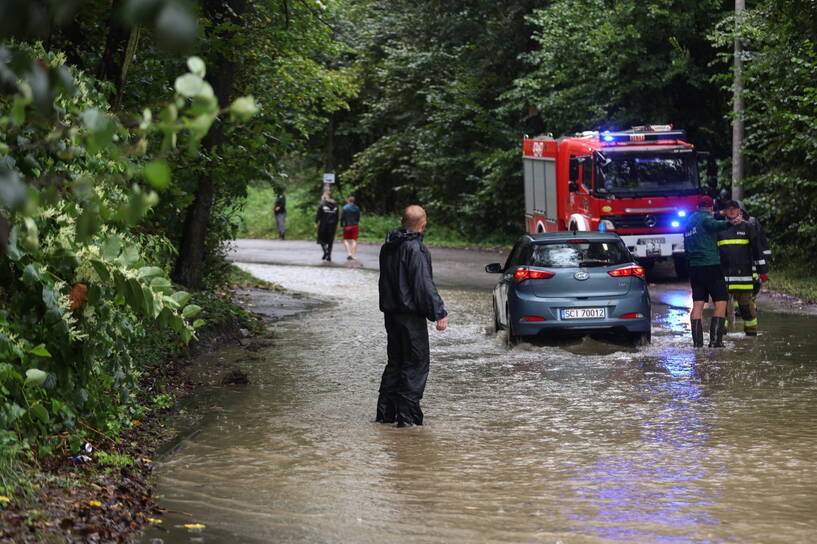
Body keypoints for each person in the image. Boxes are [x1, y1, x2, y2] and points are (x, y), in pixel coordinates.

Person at [376, 205, 448, 427]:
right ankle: (407, 422)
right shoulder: (415, 249)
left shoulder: (388, 246)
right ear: (423, 224)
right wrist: (439, 312)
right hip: (409, 317)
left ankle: (385, 415)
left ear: (401, 220)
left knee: (396, 362)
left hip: (391, 315)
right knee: (415, 364)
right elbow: (422, 284)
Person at [683, 195, 742, 348]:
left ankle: (697, 344)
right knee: (721, 301)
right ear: (710, 207)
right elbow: (715, 225)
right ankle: (716, 341)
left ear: (698, 206)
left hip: (694, 267)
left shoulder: (688, 222)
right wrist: (731, 223)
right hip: (710, 265)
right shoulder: (705, 219)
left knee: (698, 304)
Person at [717, 200, 768, 336]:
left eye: (734, 209)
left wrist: (762, 271)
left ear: (740, 211)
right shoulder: (719, 228)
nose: (732, 211)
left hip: (744, 277)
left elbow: (757, 250)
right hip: (724, 277)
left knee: (746, 307)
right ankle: (720, 337)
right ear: (725, 211)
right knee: (722, 309)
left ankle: (751, 336)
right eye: (729, 209)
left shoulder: (748, 227)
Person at [315, 191, 339, 261]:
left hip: (323, 224)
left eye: (323, 195)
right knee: (330, 240)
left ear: (325, 196)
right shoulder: (335, 204)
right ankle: (329, 256)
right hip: (332, 225)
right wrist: (337, 224)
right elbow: (337, 215)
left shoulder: (322, 203)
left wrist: (316, 222)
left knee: (320, 239)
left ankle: (325, 251)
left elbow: (318, 214)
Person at [341, 196, 361, 260]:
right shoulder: (357, 208)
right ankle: (353, 255)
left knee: (345, 240)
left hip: (347, 226)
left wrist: (341, 225)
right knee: (354, 240)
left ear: (348, 201)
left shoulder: (345, 208)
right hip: (355, 225)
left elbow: (342, 218)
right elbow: (358, 218)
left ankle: (349, 253)